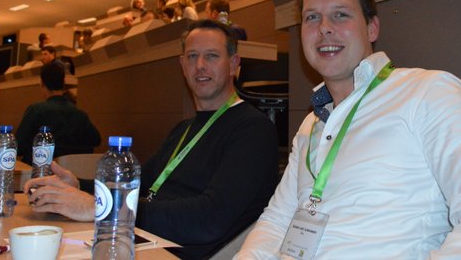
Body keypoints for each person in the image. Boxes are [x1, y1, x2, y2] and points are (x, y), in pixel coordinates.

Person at [236, 0, 461, 259]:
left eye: (340, 14)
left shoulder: (429, 93)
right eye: (312, 17)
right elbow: (276, 222)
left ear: (372, 28)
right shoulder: (311, 126)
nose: (324, 28)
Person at [25, 20, 279, 259]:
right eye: (192, 56)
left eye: (212, 55)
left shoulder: (253, 129)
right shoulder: (184, 128)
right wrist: (79, 186)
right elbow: (141, 183)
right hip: (142, 239)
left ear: (234, 64)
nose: (200, 65)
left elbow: (208, 220)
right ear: (182, 65)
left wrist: (104, 207)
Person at [15, 62, 101, 165]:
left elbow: (18, 147)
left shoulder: (36, 111)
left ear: (42, 83)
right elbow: (96, 140)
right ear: (63, 83)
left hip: (40, 170)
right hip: (73, 171)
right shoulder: (80, 114)